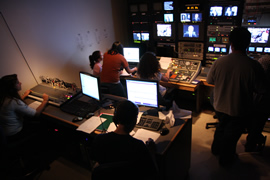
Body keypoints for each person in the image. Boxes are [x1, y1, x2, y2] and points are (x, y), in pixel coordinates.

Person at [206, 27, 266, 166]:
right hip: (240, 110)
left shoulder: (219, 62)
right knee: (231, 136)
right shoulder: (254, 66)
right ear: (248, 44)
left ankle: (216, 150)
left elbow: (209, 81)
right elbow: (262, 89)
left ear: (230, 43)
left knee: (221, 128)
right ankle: (225, 161)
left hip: (219, 106)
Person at [91, 100, 158, 180]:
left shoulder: (99, 139)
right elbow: (153, 174)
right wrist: (151, 152)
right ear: (134, 121)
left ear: (116, 118)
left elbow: (97, 165)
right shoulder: (138, 146)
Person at [0, 74, 49, 142]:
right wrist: (45, 100)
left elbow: (14, 105)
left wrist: (24, 95)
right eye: (17, 83)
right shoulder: (14, 102)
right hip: (15, 134)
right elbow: (36, 114)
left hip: (5, 132)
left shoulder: (4, 98)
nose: (20, 83)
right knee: (43, 124)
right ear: (12, 88)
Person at [245, 55, 270, 152]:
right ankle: (252, 143)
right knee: (258, 123)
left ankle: (251, 143)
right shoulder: (266, 60)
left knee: (254, 122)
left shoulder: (265, 59)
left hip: (260, 97)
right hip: (263, 98)